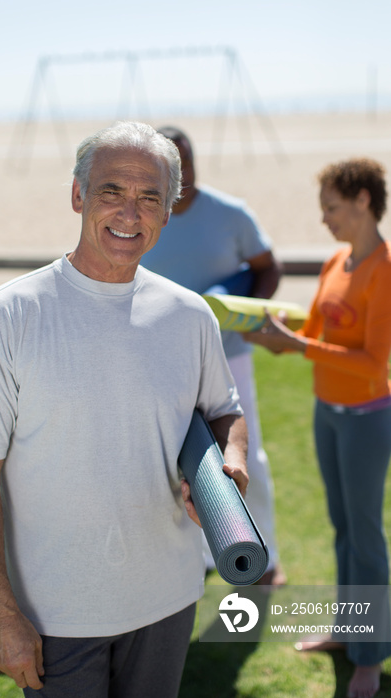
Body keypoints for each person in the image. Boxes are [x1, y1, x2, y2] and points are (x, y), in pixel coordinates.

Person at [0, 122, 249, 698]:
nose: (130, 213)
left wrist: (230, 466)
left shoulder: (190, 316)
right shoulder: (6, 317)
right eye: (112, 191)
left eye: (150, 197)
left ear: (168, 211)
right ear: (78, 195)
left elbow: (225, 412)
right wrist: (1, 613)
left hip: (169, 598)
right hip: (54, 612)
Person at [245, 158, 391, 698]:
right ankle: (349, 629)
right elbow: (313, 330)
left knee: (366, 538)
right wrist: (267, 332)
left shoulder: (384, 267)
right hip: (327, 412)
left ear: (362, 201)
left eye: (331, 206)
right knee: (342, 529)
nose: (325, 218)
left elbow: (374, 360)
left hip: (367, 419)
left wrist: (299, 345)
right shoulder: (337, 259)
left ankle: (371, 659)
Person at [141, 126, 285, 585]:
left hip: (229, 356)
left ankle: (266, 559)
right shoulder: (142, 216)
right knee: (169, 462)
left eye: (184, 160)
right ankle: (199, 559)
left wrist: (253, 313)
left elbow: (267, 266)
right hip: (159, 361)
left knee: (245, 458)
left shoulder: (230, 213)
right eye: (168, 164)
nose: (179, 171)